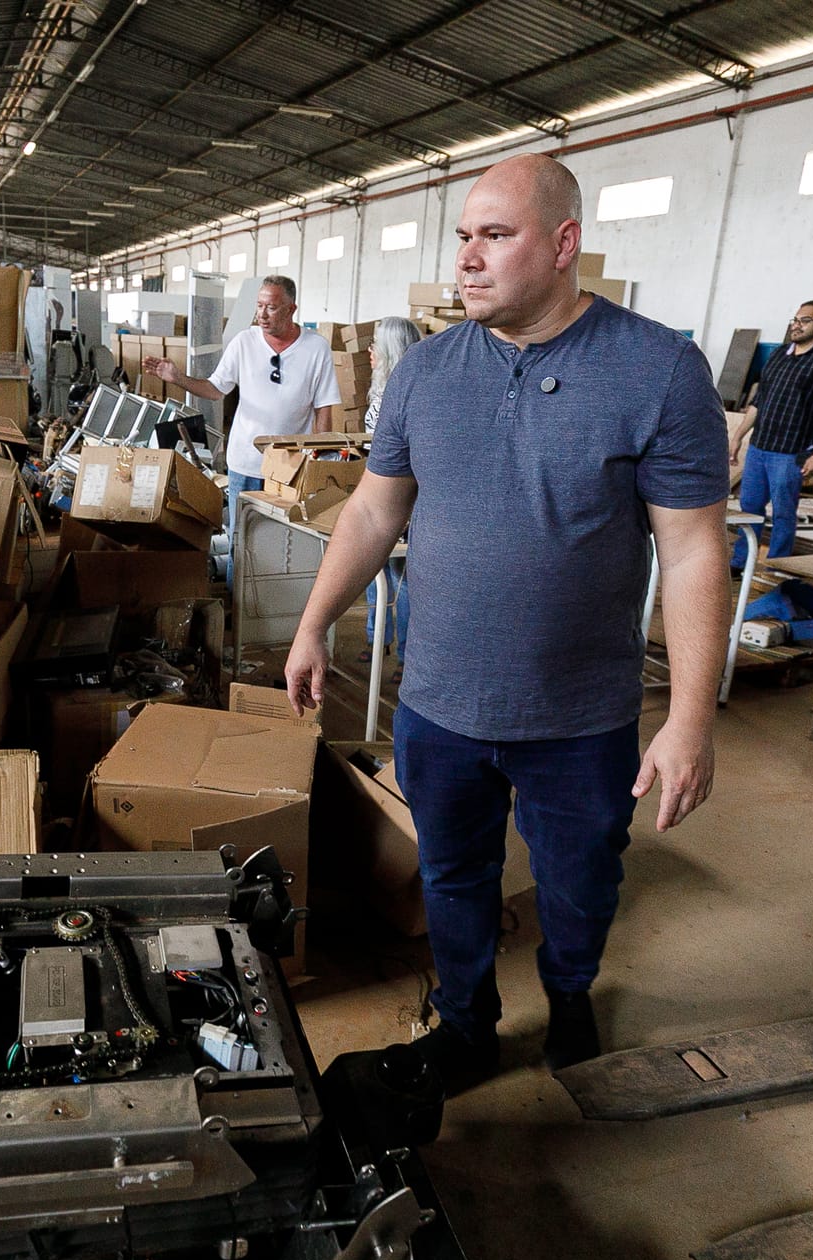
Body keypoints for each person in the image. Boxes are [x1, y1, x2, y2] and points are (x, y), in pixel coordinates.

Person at [282, 154, 729, 1085]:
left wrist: (691, 718)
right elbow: (372, 510)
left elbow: (692, 548)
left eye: (495, 235)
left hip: (581, 715)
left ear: (565, 244)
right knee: (452, 875)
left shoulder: (657, 370)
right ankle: (467, 1020)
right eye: (463, 236)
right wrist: (314, 621)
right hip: (440, 703)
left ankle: (569, 993)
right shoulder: (425, 372)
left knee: (580, 880)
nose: (467, 258)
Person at [146, 276, 339, 578]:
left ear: (292, 309)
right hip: (245, 463)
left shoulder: (316, 348)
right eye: (259, 306)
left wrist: (318, 463)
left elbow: (323, 409)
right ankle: (237, 605)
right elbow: (215, 390)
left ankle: (273, 603)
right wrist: (177, 378)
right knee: (241, 541)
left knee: (285, 544)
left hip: (290, 470)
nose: (262, 314)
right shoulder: (244, 342)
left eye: (271, 307)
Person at [727, 301, 813, 564]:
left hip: (791, 452)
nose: (797, 325)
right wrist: (738, 437)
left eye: (805, 320)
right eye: (795, 320)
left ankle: (778, 564)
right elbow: (758, 402)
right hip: (759, 447)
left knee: (783, 512)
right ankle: (741, 562)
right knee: (749, 508)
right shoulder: (778, 356)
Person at [363, 316, 421, 665]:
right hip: (379, 493)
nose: (370, 351)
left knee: (403, 579)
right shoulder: (381, 389)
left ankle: (404, 654)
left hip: (405, 500)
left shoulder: (410, 395)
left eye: (375, 344)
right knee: (375, 572)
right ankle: (376, 639)